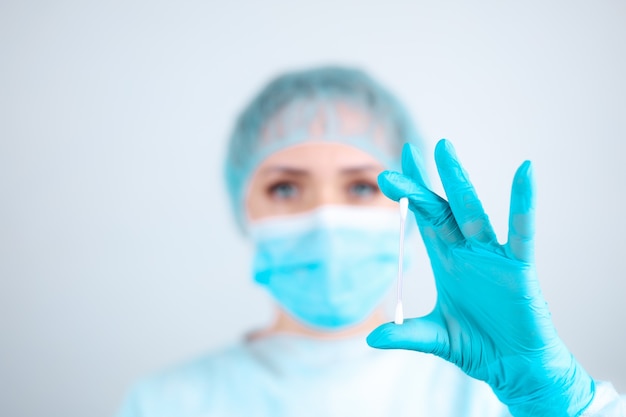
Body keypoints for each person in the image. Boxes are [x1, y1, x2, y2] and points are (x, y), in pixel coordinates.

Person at [115, 66, 625, 416]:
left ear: (405, 212)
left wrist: (565, 408)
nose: (325, 219)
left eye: (361, 186)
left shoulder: (491, 395)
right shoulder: (170, 402)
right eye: (285, 187)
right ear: (244, 208)